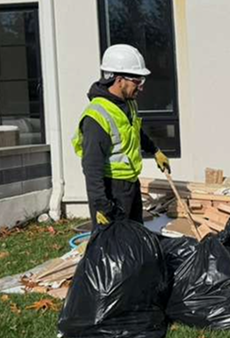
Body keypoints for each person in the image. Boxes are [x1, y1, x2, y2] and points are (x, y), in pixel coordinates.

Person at [73, 44, 171, 231]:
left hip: (130, 185)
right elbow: (91, 166)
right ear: (119, 80)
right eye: (137, 81)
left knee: (134, 237)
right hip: (111, 190)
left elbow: (135, 132)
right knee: (114, 244)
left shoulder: (128, 104)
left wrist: (155, 150)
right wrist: (101, 205)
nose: (140, 88)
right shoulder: (97, 116)